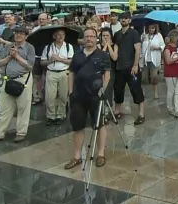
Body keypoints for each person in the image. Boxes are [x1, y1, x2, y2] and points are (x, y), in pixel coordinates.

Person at [64, 27, 112, 169]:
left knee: (99, 125)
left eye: (92, 36)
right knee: (77, 126)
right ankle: (77, 156)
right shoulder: (77, 55)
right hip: (78, 96)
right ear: (84, 39)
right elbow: (71, 73)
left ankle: (101, 154)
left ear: (96, 38)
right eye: (87, 37)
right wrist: (71, 91)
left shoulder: (103, 55)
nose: (89, 39)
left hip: (96, 96)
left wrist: (102, 89)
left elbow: (107, 74)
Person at [0, 27, 35, 144]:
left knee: (23, 108)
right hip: (8, 80)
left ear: (26, 36)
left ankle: (21, 133)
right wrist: (9, 56)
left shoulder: (29, 48)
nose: (19, 36)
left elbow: (30, 66)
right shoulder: (8, 46)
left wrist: (17, 56)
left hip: (23, 80)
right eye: (17, 33)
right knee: (4, 108)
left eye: (22, 34)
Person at [112, 12, 145, 125]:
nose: (123, 20)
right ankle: (117, 111)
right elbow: (115, 48)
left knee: (136, 90)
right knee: (118, 90)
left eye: (126, 18)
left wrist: (135, 65)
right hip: (120, 67)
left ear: (130, 20)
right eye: (122, 19)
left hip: (132, 68)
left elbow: (138, 49)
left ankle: (141, 114)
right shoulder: (117, 34)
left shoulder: (134, 33)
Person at [42, 29, 75, 125]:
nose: (60, 37)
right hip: (51, 72)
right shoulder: (48, 47)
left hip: (64, 72)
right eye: (58, 35)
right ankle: (51, 116)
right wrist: (51, 60)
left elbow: (71, 61)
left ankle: (61, 114)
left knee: (63, 95)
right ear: (54, 36)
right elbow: (42, 62)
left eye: (62, 35)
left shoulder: (68, 46)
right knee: (49, 96)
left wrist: (59, 59)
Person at [163, 29, 178, 118]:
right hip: (170, 72)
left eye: (176, 35)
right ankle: (170, 108)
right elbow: (168, 61)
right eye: (172, 35)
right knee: (171, 91)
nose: (174, 37)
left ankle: (177, 110)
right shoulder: (167, 48)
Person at [141, 23, 164, 98]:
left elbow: (163, 45)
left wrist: (157, 48)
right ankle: (143, 92)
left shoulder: (158, 35)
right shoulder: (144, 35)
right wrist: (142, 39)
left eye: (153, 28)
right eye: (150, 28)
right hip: (145, 60)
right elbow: (140, 46)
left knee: (154, 77)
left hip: (154, 59)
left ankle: (155, 93)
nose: (151, 29)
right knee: (144, 78)